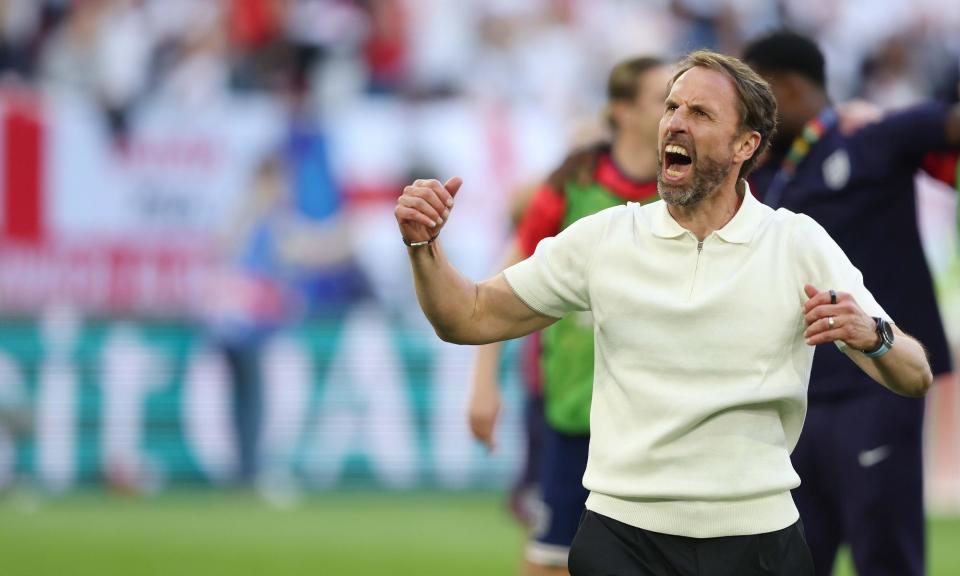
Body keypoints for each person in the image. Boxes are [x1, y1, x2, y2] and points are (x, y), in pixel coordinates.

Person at [395, 49, 932, 575]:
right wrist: (425, 249)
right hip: (621, 537)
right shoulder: (607, 237)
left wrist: (874, 335)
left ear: (746, 144)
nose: (675, 122)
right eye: (672, 107)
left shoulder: (796, 242)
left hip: (759, 541)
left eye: (700, 113)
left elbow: (915, 374)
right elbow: (468, 316)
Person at [742, 31, 960, 576]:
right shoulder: (765, 175)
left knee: (885, 557)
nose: (750, 115)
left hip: (880, 382)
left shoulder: (870, 137)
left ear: (788, 88)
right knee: (794, 559)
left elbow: (947, 124)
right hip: (800, 395)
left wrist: (886, 115)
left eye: (756, 97)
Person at [467, 56, 670, 576]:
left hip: (664, 418)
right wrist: (484, 382)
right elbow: (502, 283)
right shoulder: (570, 185)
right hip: (572, 409)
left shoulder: (694, 188)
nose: (677, 111)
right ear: (622, 111)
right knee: (554, 562)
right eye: (663, 99)